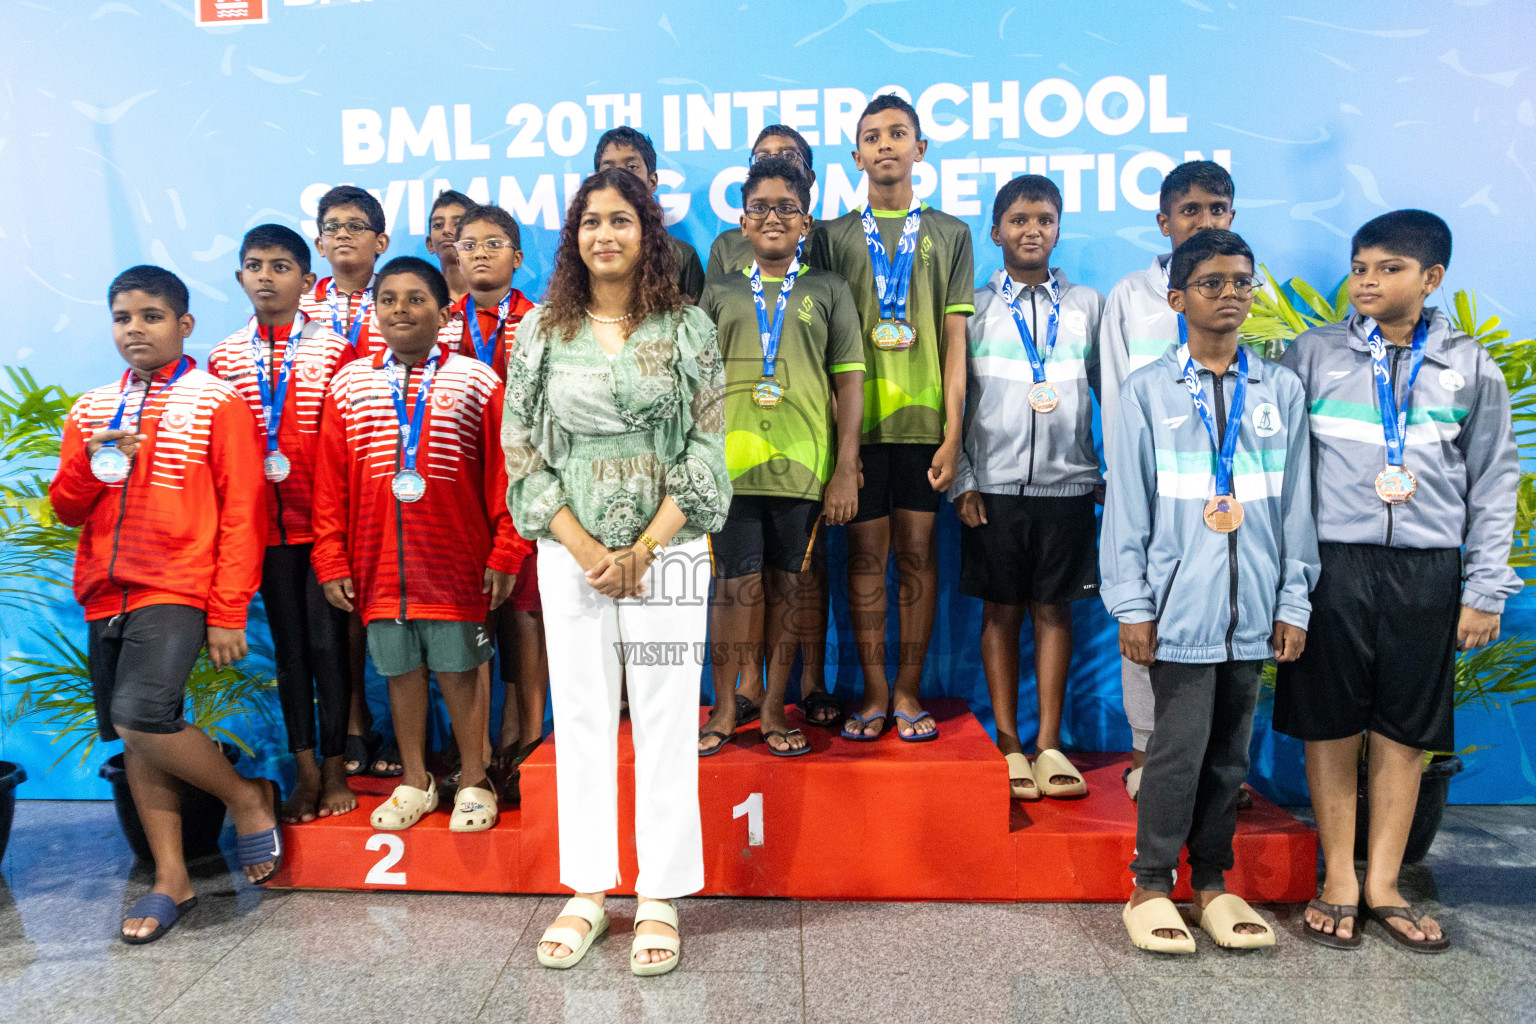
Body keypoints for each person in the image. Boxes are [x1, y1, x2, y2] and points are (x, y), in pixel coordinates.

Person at [505, 167, 729, 976]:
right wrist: (590, 548)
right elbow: (522, 453)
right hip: (570, 556)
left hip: (667, 553)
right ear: (575, 237)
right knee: (586, 715)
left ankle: (661, 894)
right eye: (593, 222)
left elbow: (707, 447)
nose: (607, 234)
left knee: (668, 714)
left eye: (623, 221)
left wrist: (646, 546)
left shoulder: (689, 329)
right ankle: (591, 892)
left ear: (648, 235)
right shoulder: (538, 333)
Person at [1277, 210, 1518, 953]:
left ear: (1431, 278)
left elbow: (1495, 479)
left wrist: (1482, 588)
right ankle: (1339, 879)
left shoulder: (1469, 366)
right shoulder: (1310, 356)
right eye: (1359, 268)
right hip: (1334, 565)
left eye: (1387, 269)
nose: (1367, 283)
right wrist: (1290, 581)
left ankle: (1384, 882)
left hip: (1427, 569)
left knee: (1404, 732)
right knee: (1331, 723)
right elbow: (1283, 475)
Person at [1102, 230, 1317, 954]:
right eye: (1212, 283)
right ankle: (1151, 883)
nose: (1230, 295)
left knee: (1230, 756)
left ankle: (1215, 883)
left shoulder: (1280, 390)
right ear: (1177, 298)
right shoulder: (1146, 392)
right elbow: (1128, 507)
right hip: (1179, 611)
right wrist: (1133, 605)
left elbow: (1297, 509)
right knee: (1176, 751)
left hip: (1252, 612)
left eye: (1241, 283)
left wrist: (1293, 603)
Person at [51, 266, 277, 944]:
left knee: (141, 713)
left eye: (151, 316)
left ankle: (245, 797)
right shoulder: (91, 408)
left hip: (175, 587)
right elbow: (66, 509)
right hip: (102, 592)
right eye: (123, 317)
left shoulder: (216, 401)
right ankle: (171, 876)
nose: (135, 329)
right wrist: (87, 466)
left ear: (183, 325)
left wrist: (229, 608)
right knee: (136, 734)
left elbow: (244, 511)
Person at [310, 257, 531, 833]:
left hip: (455, 564)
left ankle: (475, 780)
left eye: (415, 299)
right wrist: (331, 556)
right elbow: (330, 484)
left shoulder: (477, 382)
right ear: (373, 309)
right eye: (388, 300)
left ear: (445, 311)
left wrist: (506, 549)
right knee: (400, 675)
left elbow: (505, 475)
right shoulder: (349, 384)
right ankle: (416, 780)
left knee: (461, 673)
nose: (400, 311)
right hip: (378, 566)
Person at [696, 156, 864, 756]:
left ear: (806, 222)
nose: (773, 217)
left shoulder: (829, 289)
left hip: (804, 468)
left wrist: (846, 467)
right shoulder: (716, 292)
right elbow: (695, 384)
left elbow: (848, 381)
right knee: (733, 592)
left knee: (788, 590)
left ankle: (772, 709)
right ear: (742, 221)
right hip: (729, 469)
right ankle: (721, 709)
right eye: (760, 207)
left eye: (786, 208)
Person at [821, 93, 974, 742]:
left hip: (924, 429)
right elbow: (824, 348)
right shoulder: (829, 238)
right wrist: (842, 449)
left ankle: (909, 689)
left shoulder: (951, 234)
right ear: (855, 156)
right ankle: (875, 692)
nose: (885, 144)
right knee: (863, 557)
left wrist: (954, 435)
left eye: (898, 133)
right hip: (858, 433)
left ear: (921, 149)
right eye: (872, 136)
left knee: (916, 558)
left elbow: (954, 345)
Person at [950, 175, 1102, 799]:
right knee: (1001, 613)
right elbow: (953, 401)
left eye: (1043, 218)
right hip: (995, 488)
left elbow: (1111, 394)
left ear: (1059, 227)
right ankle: (1009, 741)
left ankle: (1048, 743)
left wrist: (1105, 473)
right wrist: (963, 479)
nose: (1031, 229)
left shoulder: (1089, 305)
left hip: (1068, 489)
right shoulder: (975, 309)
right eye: (1018, 219)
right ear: (996, 232)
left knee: (1054, 611)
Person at [207, 225, 358, 824]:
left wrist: (338, 532)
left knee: (330, 648)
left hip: (323, 526)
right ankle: (307, 772)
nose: (266, 276)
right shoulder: (224, 356)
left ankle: (340, 766)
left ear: (305, 277)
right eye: (254, 265)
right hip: (264, 533)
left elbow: (347, 443)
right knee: (290, 654)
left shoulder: (336, 347)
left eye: (280, 265)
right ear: (240, 277)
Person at [1099, 160, 1237, 799]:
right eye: (1191, 211)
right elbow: (1111, 387)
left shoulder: (1242, 289)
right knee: (1143, 611)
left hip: (1230, 494)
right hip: (1153, 491)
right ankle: (1146, 755)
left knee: (1228, 625)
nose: (1204, 221)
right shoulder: (1131, 295)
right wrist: (1117, 475)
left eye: (1217, 210)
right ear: (1165, 221)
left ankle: (1216, 765)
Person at [298, 185, 397, 778]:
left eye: (356, 226)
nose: (342, 235)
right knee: (339, 620)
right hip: (320, 480)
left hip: (387, 472)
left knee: (393, 611)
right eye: (331, 226)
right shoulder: (297, 311)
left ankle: (410, 734)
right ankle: (355, 722)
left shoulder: (400, 302)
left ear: (380, 241)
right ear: (317, 240)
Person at [447, 202, 548, 778]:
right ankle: (477, 750)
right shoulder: (438, 325)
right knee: (470, 612)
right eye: (470, 244)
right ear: (455, 257)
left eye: (494, 243)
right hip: (460, 490)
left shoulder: (541, 321)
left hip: (528, 482)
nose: (481, 253)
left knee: (526, 609)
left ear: (517, 256)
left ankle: (528, 731)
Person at [703, 125, 832, 285]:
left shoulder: (832, 239)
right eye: (763, 157)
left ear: (809, 178)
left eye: (788, 156)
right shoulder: (728, 246)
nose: (775, 162)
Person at [593, 125, 706, 303]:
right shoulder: (586, 249)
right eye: (609, 169)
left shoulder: (681, 255)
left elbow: (698, 325)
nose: (619, 176)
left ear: (652, 181)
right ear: (595, 180)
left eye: (631, 167)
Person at [426, 189, 475, 304]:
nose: (446, 230)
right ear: (430, 244)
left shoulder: (493, 297)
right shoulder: (423, 299)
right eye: (438, 225)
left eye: (457, 224)